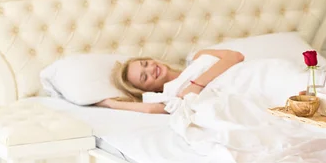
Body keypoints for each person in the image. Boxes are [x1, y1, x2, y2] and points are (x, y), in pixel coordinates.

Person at [96, 49, 244, 114]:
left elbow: (235, 56)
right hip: (242, 91)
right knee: (267, 109)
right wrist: (111, 104)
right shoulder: (171, 94)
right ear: (147, 90)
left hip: (249, 73)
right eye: (144, 77)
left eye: (145, 63)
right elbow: (150, 109)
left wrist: (198, 84)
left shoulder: (196, 57)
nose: (151, 69)